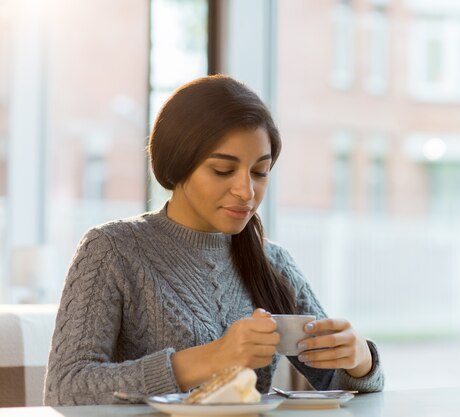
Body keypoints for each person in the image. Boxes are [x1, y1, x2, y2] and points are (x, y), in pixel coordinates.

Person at [44, 75, 384, 406]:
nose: (246, 191)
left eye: (259, 172)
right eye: (223, 170)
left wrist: (360, 360)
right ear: (178, 163)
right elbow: (65, 387)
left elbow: (339, 385)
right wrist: (211, 359)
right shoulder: (111, 250)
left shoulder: (274, 263)